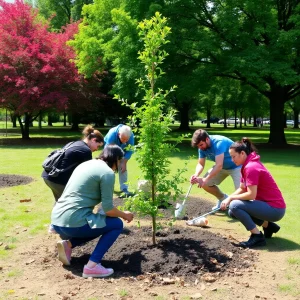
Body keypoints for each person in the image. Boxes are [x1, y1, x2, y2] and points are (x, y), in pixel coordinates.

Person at [51, 145, 134, 278]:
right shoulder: (107, 173)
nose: (120, 165)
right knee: (116, 224)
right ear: (116, 159)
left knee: (99, 222)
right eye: (120, 161)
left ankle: (69, 244)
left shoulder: (86, 164)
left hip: (56, 221)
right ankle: (92, 266)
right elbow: (108, 208)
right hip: (73, 223)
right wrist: (125, 215)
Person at [220, 138, 286, 248]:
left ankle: (257, 237)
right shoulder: (247, 164)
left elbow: (251, 195)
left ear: (242, 153)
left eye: (233, 156)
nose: (232, 160)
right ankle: (268, 226)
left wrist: (231, 199)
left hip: (275, 209)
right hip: (269, 206)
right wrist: (229, 198)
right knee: (232, 211)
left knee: (235, 205)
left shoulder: (251, 167)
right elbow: (242, 188)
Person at [42, 125, 104, 203]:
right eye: (98, 146)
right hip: (58, 179)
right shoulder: (86, 150)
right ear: (93, 140)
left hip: (49, 175)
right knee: (70, 204)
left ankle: (57, 214)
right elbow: (87, 174)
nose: (96, 149)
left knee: (60, 202)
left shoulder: (75, 143)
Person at [190, 129, 241, 210]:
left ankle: (246, 211)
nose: (200, 147)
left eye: (201, 145)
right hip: (222, 167)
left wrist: (205, 179)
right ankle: (223, 199)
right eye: (198, 146)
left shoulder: (219, 142)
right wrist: (196, 175)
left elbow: (219, 165)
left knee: (241, 193)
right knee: (206, 184)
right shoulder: (202, 148)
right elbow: (200, 164)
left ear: (207, 139)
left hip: (237, 167)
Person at [104, 124, 134, 197]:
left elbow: (130, 150)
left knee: (123, 168)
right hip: (110, 149)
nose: (125, 141)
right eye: (123, 139)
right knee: (109, 169)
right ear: (118, 134)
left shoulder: (130, 135)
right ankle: (107, 188)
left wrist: (124, 162)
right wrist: (114, 163)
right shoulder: (112, 134)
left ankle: (124, 189)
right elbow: (108, 150)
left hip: (122, 151)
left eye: (126, 139)